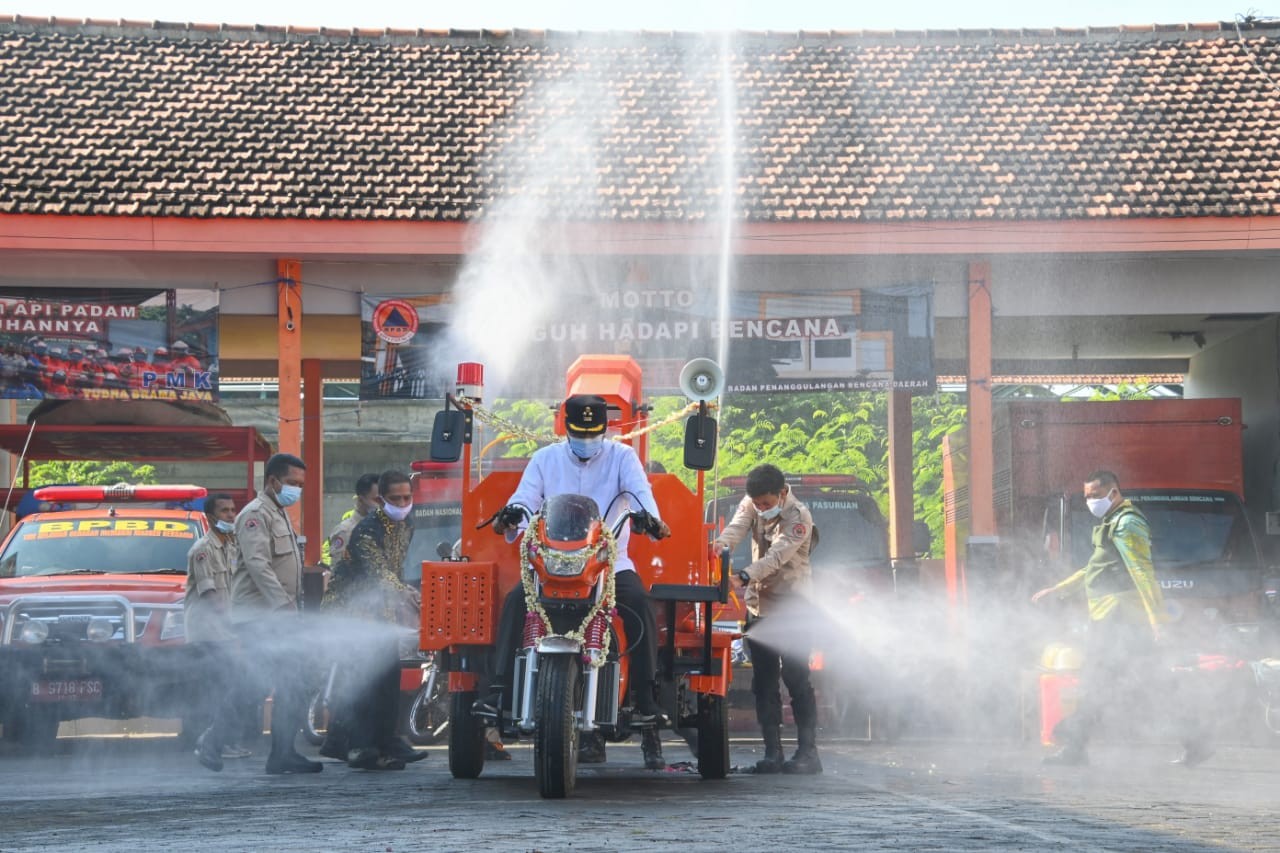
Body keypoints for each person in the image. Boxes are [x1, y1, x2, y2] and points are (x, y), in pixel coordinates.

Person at [484, 393, 671, 770]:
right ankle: (496, 692)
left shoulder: (622, 457)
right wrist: (511, 515)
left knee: (639, 605)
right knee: (516, 601)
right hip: (551, 564)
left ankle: (647, 701)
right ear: (565, 427)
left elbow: (640, 495)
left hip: (609, 566)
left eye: (594, 432)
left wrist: (648, 518)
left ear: (605, 429)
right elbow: (524, 500)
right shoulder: (544, 459)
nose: (587, 440)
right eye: (579, 432)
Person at [1032, 470, 1212, 767]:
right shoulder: (1111, 523)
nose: (1091, 501)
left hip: (1122, 622)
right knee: (1147, 683)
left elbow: (1143, 572)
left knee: (1102, 682)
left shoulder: (1127, 524)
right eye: (1087, 496)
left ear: (1114, 493)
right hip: (1112, 620)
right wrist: (1059, 589)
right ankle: (1196, 740)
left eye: (1095, 495)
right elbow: (1093, 568)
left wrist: (1158, 621)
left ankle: (1075, 745)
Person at [713, 463, 822, 775]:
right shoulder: (751, 503)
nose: (760, 509)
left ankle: (808, 753)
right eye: (756, 504)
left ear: (781, 492)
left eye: (765, 503)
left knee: (797, 679)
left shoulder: (798, 517)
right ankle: (772, 753)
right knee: (763, 682)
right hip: (761, 607)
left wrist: (744, 575)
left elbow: (776, 557)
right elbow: (736, 528)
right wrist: (720, 546)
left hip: (795, 609)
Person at [320, 469, 426, 771]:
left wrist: (403, 594)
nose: (403, 503)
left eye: (408, 497)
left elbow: (395, 567)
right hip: (349, 610)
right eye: (396, 498)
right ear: (380, 500)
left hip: (379, 611)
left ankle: (377, 742)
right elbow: (378, 571)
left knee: (386, 676)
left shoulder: (407, 525)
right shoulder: (366, 530)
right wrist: (404, 592)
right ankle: (364, 746)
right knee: (367, 679)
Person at [230, 452, 323, 774]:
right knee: (261, 683)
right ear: (272, 481)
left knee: (292, 681)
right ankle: (213, 740)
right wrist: (282, 604)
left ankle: (283, 753)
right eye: (292, 483)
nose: (296, 490)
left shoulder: (278, 513)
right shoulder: (255, 514)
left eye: (300, 484)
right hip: (259, 616)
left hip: (276, 614)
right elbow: (258, 564)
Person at [187, 493, 253, 771]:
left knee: (232, 685)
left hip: (226, 631)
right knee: (220, 687)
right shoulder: (203, 550)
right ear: (210, 517)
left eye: (233, 510)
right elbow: (211, 596)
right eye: (224, 511)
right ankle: (210, 741)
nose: (230, 515)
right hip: (208, 632)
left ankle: (224, 740)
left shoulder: (231, 547)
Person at [323, 473, 380, 566]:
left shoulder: (385, 526)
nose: (382, 504)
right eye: (377, 500)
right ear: (361, 500)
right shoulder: (345, 531)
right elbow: (338, 569)